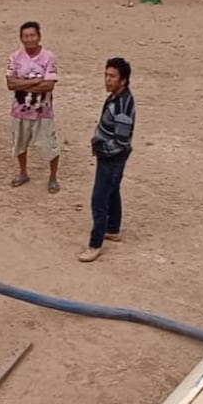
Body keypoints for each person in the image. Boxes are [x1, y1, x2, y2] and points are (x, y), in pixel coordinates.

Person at [79, 58, 135, 263]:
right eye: (106, 75)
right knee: (113, 191)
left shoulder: (122, 106)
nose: (107, 80)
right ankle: (113, 229)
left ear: (123, 80)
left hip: (112, 158)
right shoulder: (116, 97)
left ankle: (95, 244)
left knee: (99, 199)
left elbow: (120, 141)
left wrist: (102, 150)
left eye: (112, 76)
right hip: (111, 157)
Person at [6, 21, 61, 193]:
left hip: (42, 112)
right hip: (20, 112)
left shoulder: (49, 57)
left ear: (39, 36)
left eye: (32, 35)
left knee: (50, 146)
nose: (29, 39)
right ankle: (23, 173)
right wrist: (37, 80)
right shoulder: (14, 57)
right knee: (19, 144)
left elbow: (49, 85)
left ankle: (53, 177)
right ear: (21, 38)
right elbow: (10, 84)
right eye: (26, 36)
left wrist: (22, 84)